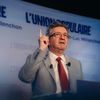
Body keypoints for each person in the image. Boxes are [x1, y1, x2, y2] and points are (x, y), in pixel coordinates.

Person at [18, 21, 83, 97]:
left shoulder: (76, 63)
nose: (62, 37)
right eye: (57, 34)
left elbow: (81, 92)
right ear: (48, 39)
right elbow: (25, 77)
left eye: (65, 35)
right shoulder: (38, 58)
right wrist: (41, 49)